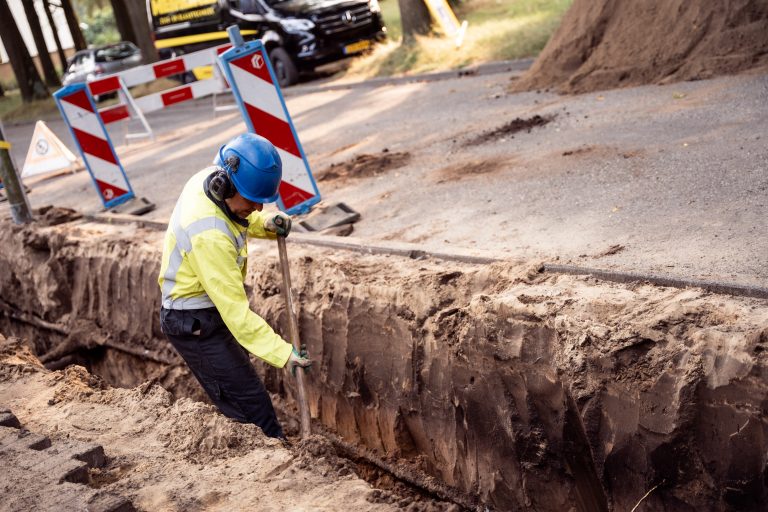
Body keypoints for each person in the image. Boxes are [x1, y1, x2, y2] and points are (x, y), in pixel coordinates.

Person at [158, 133, 311, 439]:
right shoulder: (209, 236)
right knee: (252, 411)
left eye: (262, 202)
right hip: (193, 324)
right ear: (226, 186)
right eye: (253, 200)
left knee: (248, 393)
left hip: (207, 311)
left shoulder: (212, 182)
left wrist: (264, 224)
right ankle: (276, 466)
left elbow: (234, 215)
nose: (257, 208)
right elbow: (237, 315)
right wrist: (285, 355)